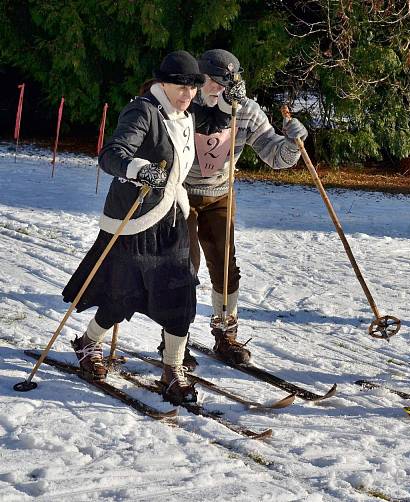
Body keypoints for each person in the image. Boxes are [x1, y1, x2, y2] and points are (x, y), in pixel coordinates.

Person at [63, 51, 206, 405]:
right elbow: (111, 154)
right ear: (162, 82)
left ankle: (172, 369)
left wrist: (235, 98)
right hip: (134, 219)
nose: (187, 92)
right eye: (180, 85)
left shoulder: (184, 116)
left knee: (181, 291)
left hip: (172, 218)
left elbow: (220, 114)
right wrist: (138, 168)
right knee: (121, 293)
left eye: (193, 86)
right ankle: (88, 343)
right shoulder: (143, 110)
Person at [162, 49, 307, 366]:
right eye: (210, 81)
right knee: (184, 267)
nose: (216, 88)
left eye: (224, 82)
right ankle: (174, 341)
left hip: (219, 195)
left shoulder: (246, 111)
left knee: (226, 267)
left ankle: (225, 335)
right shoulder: (184, 106)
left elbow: (274, 156)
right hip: (180, 194)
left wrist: (292, 144)